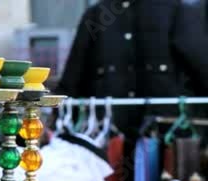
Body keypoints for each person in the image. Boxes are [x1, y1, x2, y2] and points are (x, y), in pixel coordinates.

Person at [58, 0, 208, 136]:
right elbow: (71, 83)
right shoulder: (96, 16)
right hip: (107, 141)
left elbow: (201, 69)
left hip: (167, 138)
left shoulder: (177, 12)